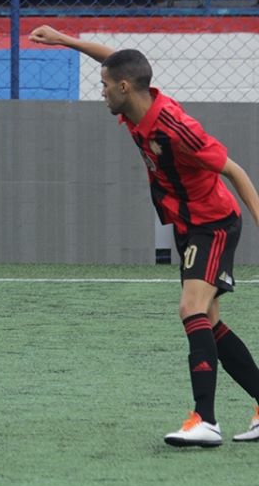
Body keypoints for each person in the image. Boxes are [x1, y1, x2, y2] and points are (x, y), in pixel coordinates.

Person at [29, 25, 259, 447]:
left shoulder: (177, 127)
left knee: (190, 308)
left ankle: (205, 420)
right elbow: (115, 59)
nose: (101, 91)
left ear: (123, 88)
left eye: (104, 86)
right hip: (188, 225)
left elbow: (235, 171)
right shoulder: (135, 100)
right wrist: (65, 40)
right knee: (208, 322)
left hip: (214, 223)